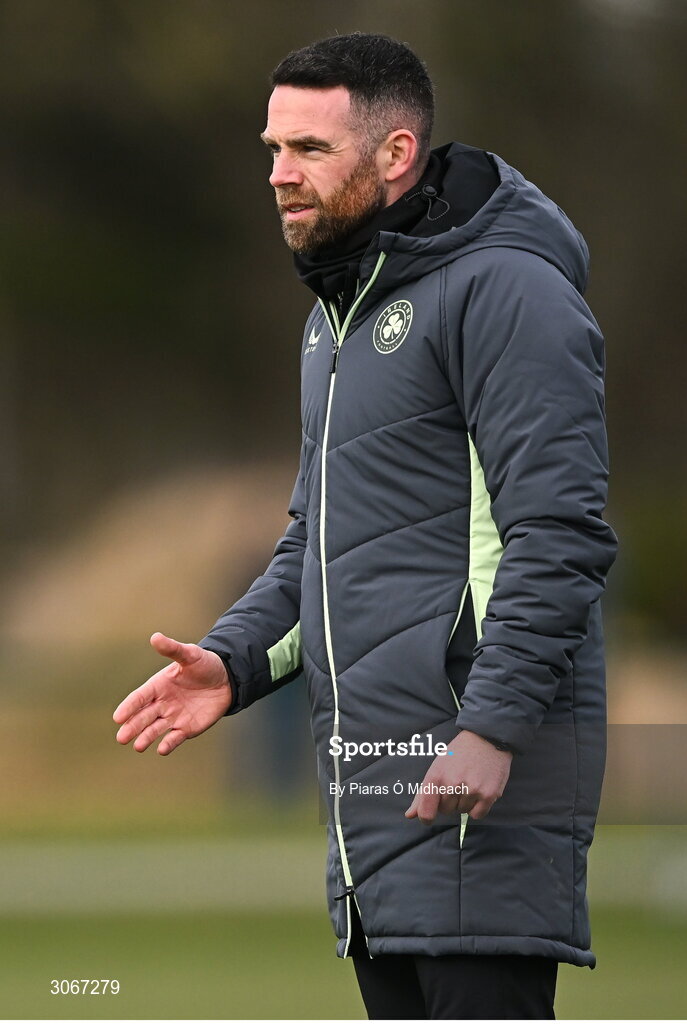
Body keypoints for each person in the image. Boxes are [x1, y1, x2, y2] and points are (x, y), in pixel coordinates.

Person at [114, 32, 618, 1020]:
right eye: (271, 148)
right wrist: (235, 660)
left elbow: (556, 532)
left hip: (481, 784)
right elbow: (319, 538)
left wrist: (489, 726)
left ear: (393, 157)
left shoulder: (506, 289)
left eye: (307, 149)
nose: (277, 175)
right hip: (375, 801)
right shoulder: (336, 319)